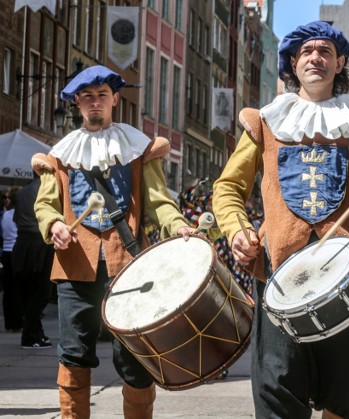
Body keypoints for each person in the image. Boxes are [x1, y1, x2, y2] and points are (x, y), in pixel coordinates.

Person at [211, 21, 349, 419]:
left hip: (343, 278)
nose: (315, 57)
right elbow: (228, 188)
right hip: (279, 275)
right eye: (306, 52)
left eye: (325, 51)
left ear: (340, 63)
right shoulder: (265, 123)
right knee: (278, 390)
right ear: (293, 64)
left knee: (343, 397)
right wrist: (238, 229)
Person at [31, 65, 195, 418]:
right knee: (73, 356)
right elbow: (45, 204)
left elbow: (157, 199)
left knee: (135, 359)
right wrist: (55, 224)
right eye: (87, 97)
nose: (95, 103)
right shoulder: (60, 155)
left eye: (102, 95)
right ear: (77, 102)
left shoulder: (136, 148)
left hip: (131, 271)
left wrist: (178, 224)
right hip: (76, 268)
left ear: (115, 100)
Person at [13, 175, 55, 349]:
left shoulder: (22, 191)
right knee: (41, 292)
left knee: (30, 292)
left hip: (22, 244)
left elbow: (16, 217)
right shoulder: (46, 188)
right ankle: (30, 336)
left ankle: (35, 333)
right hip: (39, 244)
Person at [1, 187, 21, 333]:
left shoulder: (5, 215)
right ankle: (19, 321)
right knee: (19, 289)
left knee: (8, 290)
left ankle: (9, 323)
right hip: (17, 251)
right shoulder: (20, 214)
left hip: (6, 253)